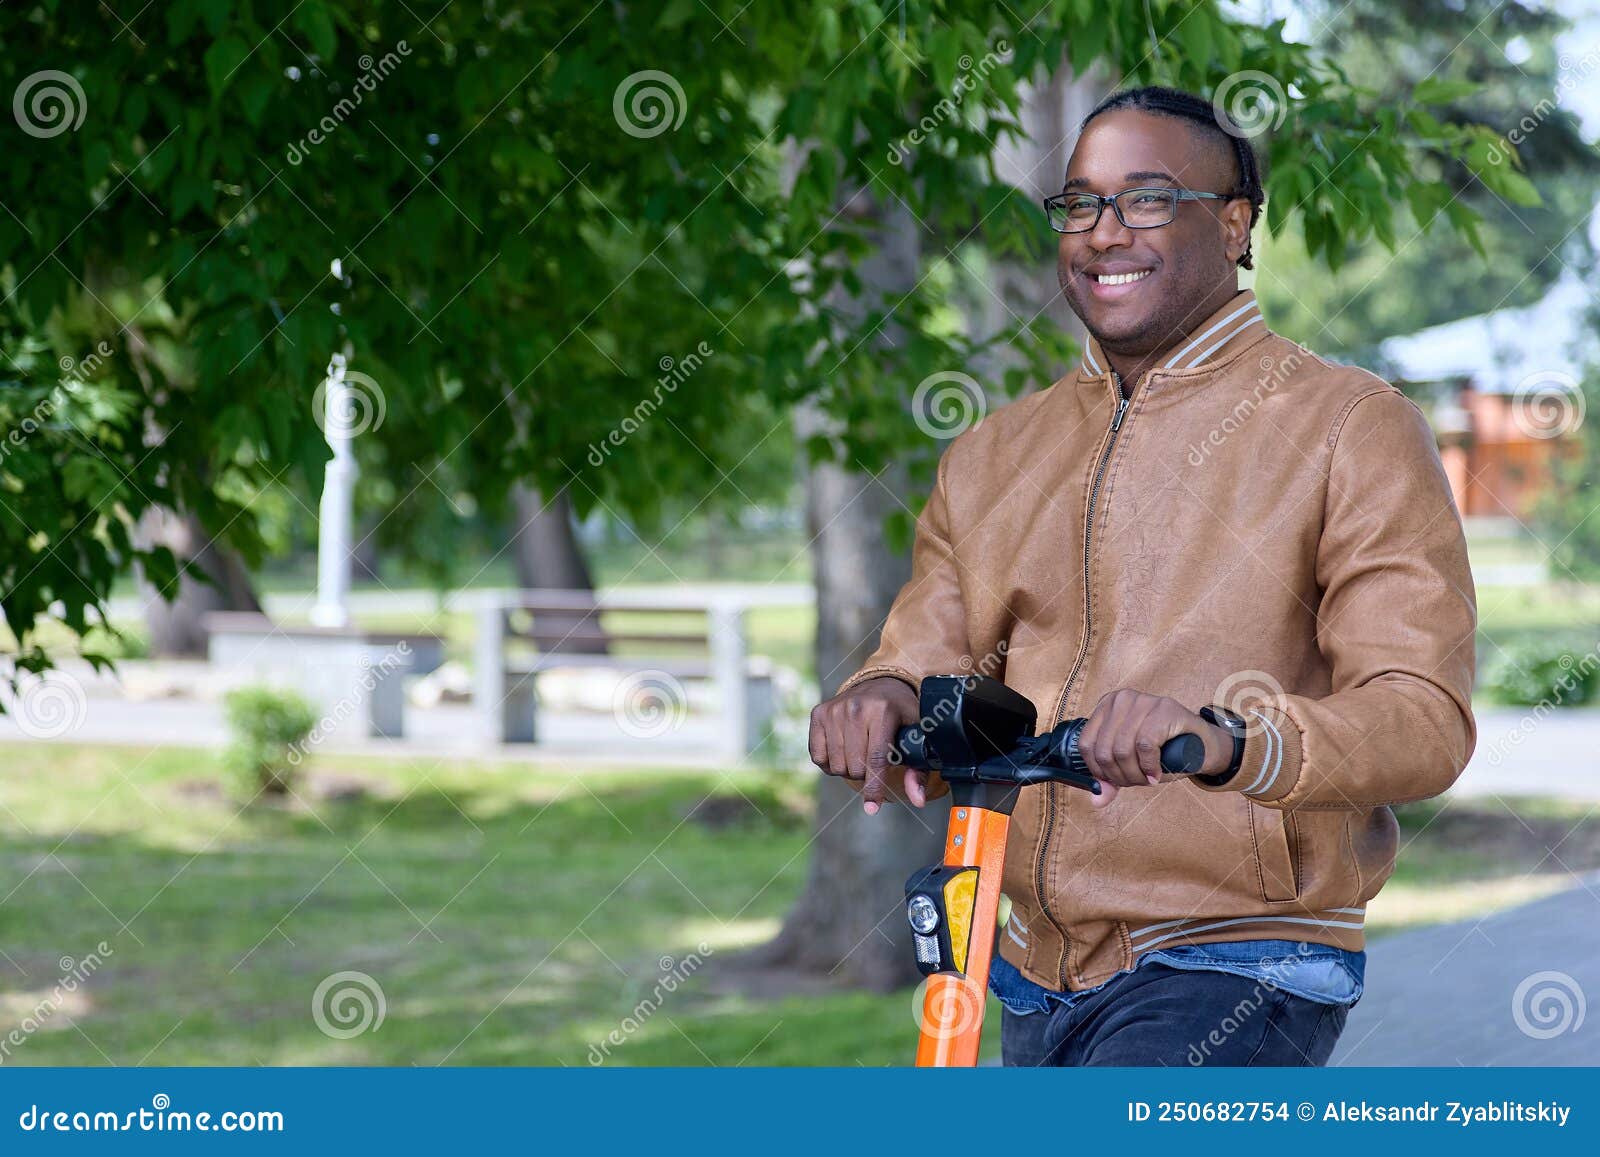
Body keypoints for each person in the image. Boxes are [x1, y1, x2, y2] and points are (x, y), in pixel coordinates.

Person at [807, 85, 1476, 1067]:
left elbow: (1422, 719)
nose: (1102, 231)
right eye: (1080, 202)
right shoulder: (994, 452)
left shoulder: (1349, 428)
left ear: (1235, 223)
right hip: (1022, 958)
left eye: (1148, 198)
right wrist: (875, 697)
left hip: (1237, 955)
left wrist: (1222, 739)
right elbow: (923, 651)